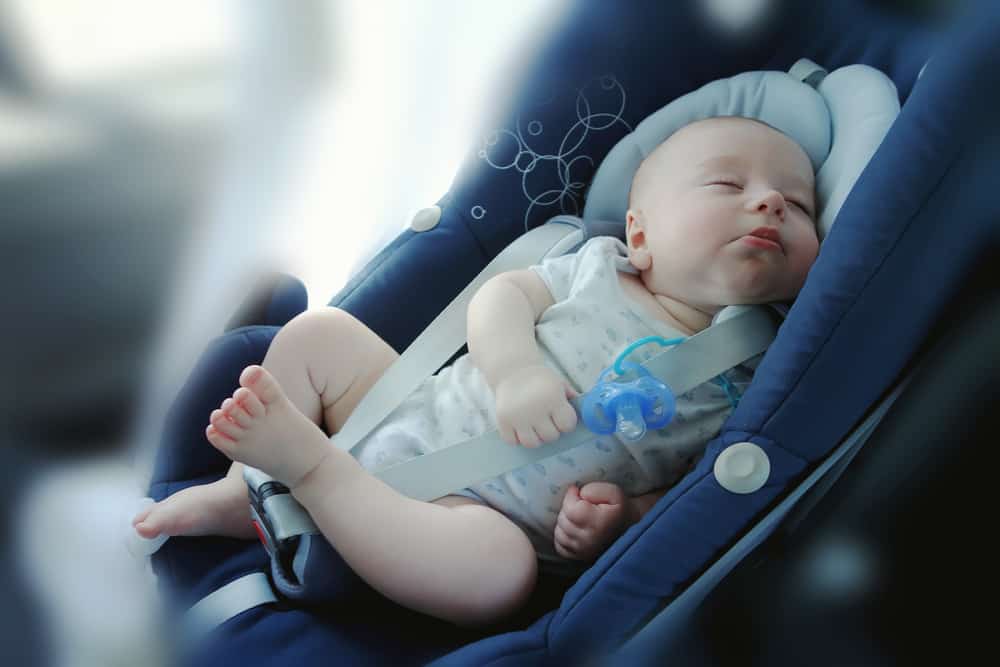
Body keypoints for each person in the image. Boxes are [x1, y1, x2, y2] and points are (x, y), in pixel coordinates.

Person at [133, 115, 819, 627]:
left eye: (802, 205)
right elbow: (500, 298)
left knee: (503, 576)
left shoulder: (762, 375)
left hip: (478, 519)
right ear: (639, 235)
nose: (770, 203)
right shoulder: (596, 267)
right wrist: (516, 370)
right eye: (729, 184)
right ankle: (240, 489)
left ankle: (306, 469)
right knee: (321, 335)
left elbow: (694, 486)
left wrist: (626, 515)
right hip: (405, 412)